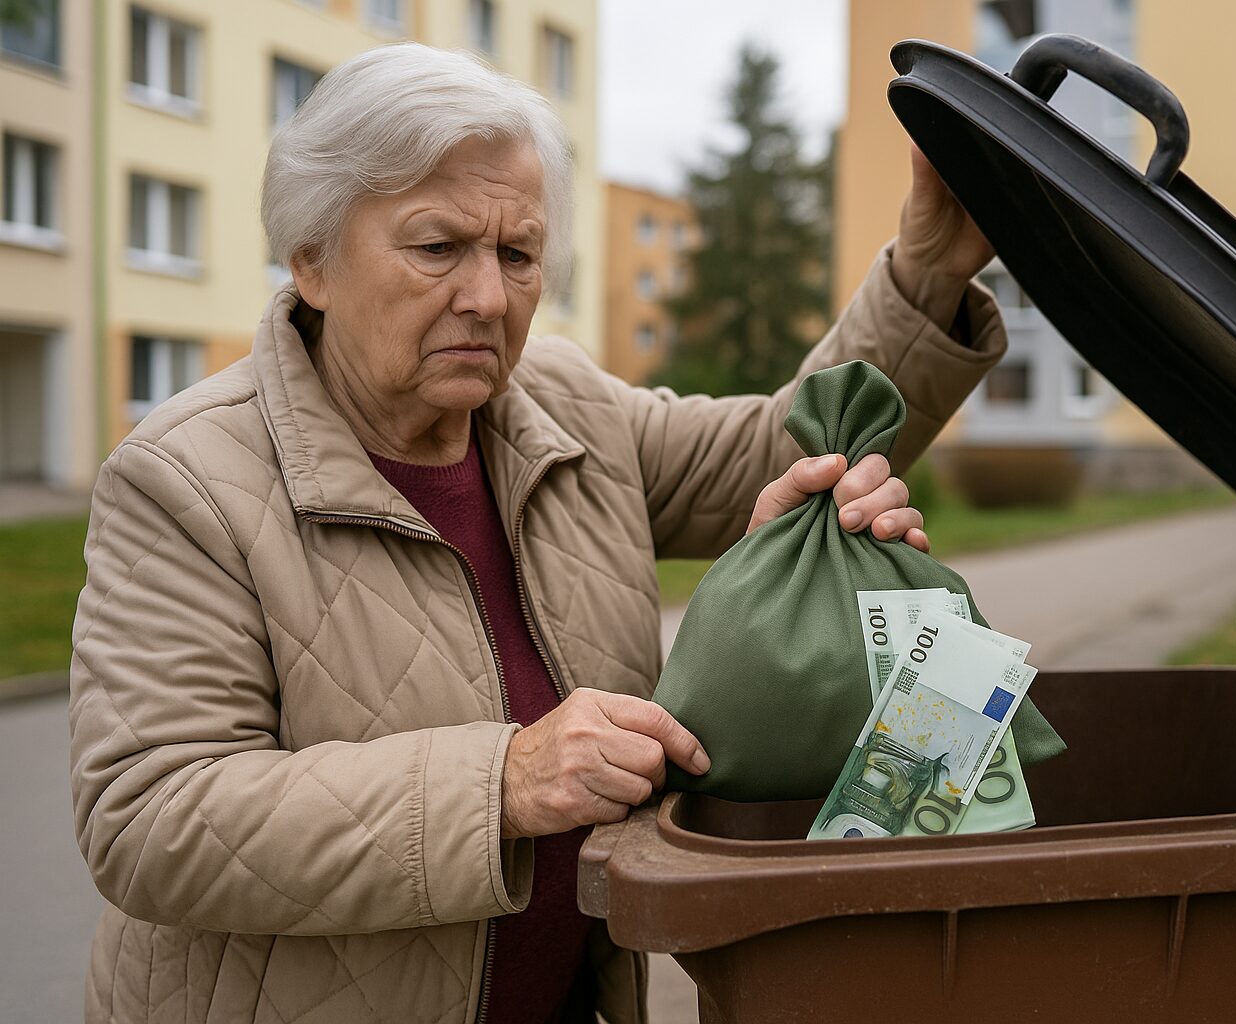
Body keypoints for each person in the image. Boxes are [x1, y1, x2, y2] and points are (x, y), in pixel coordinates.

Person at [68, 43, 1002, 1024]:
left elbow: (773, 454)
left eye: (517, 254)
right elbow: (151, 818)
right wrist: (504, 779)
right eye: (438, 248)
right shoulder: (187, 480)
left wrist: (925, 273)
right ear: (312, 260)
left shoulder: (558, 405)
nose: (488, 297)